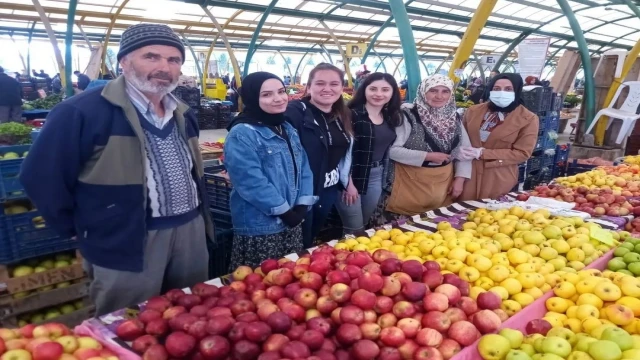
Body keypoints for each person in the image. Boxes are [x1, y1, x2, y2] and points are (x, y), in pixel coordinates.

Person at [20, 24, 214, 316]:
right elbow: (40, 177)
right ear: (124, 61)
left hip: (190, 233)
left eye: (174, 60)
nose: (164, 67)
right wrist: (77, 228)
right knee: (126, 322)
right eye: (152, 56)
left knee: (191, 318)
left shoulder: (182, 113)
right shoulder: (82, 112)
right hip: (126, 239)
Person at [224, 72, 316, 268]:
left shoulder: (286, 126)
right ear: (252, 98)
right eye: (266, 95)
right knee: (261, 282)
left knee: (289, 278)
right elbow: (250, 181)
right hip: (261, 224)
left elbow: (304, 166)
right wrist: (285, 212)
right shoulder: (242, 133)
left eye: (281, 91)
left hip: (292, 219)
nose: (278, 98)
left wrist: (301, 205)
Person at [371, 74, 472, 225]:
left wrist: (460, 179)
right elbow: (392, 150)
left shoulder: (454, 117)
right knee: (399, 234)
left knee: (432, 234)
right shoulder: (407, 115)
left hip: (441, 187)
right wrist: (427, 156)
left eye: (445, 91)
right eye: (433, 91)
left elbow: (465, 151)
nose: (439, 96)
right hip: (407, 185)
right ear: (423, 92)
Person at [285, 63, 353, 248]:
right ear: (309, 87)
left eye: (334, 84)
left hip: (328, 188)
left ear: (341, 87)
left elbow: (343, 152)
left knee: (311, 235)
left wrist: (348, 182)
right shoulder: (295, 111)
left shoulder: (342, 114)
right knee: (299, 240)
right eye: (320, 83)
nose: (327, 89)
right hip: (302, 191)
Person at [336, 73, 402, 234]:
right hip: (350, 177)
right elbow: (339, 153)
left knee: (364, 223)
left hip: (376, 175)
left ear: (393, 93)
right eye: (373, 89)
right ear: (364, 90)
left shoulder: (389, 117)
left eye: (385, 90)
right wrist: (347, 184)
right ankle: (346, 256)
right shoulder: (350, 115)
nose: (379, 94)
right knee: (355, 227)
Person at [459, 73, 539, 201]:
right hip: (468, 172)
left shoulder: (528, 118)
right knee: (461, 211)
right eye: (496, 89)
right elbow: (460, 137)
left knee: (490, 214)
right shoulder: (473, 111)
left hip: (498, 174)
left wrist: (483, 153)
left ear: (517, 90)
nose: (501, 93)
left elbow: (522, 153)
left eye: (508, 89)